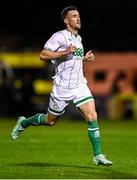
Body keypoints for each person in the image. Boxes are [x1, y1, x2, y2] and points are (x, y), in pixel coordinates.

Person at [11, 6, 112, 166]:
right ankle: (24, 122)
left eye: (79, 15)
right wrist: (63, 52)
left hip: (79, 85)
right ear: (66, 20)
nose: (78, 18)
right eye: (74, 16)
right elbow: (43, 54)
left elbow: (73, 56)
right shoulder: (58, 37)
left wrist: (84, 58)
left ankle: (98, 155)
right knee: (50, 121)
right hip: (62, 88)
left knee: (92, 116)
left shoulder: (78, 40)